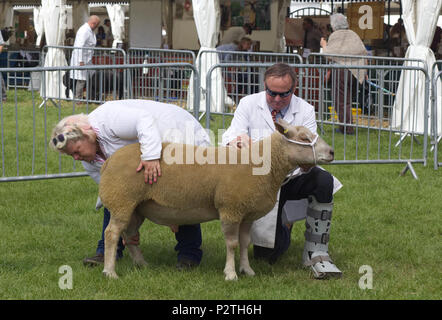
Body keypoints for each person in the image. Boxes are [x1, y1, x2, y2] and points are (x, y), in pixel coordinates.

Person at [50, 99, 211, 270]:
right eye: (71, 156)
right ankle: (106, 252)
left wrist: (150, 157)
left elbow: (143, 119)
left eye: (76, 151)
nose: (76, 158)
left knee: (181, 195)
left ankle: (189, 254)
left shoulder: (107, 119)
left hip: (178, 134)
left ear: (86, 134)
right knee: (117, 197)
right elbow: (114, 194)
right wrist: (129, 227)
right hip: (152, 150)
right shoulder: (89, 162)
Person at [221, 63, 343, 279]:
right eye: (271, 93)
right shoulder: (248, 104)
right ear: (265, 87)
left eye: (284, 94)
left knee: (323, 180)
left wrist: (307, 162)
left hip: (292, 178)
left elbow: (310, 150)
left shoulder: (305, 110)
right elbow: (230, 135)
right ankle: (284, 224)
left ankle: (317, 250)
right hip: (259, 183)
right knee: (267, 256)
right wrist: (238, 141)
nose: (277, 99)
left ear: (293, 89)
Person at [320, 13, 368, 135]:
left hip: (341, 72)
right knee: (346, 101)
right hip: (355, 72)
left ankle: (347, 128)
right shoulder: (353, 34)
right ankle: (344, 126)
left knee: (340, 101)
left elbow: (330, 55)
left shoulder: (335, 35)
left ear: (333, 25)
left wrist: (324, 45)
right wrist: (365, 71)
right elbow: (364, 53)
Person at [70, 15, 100, 100]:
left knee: (92, 76)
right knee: (81, 80)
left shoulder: (89, 30)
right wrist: (80, 61)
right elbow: (79, 46)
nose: (97, 27)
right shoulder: (84, 30)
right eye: (97, 25)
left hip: (87, 60)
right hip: (82, 59)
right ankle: (78, 99)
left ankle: (91, 96)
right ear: (94, 23)